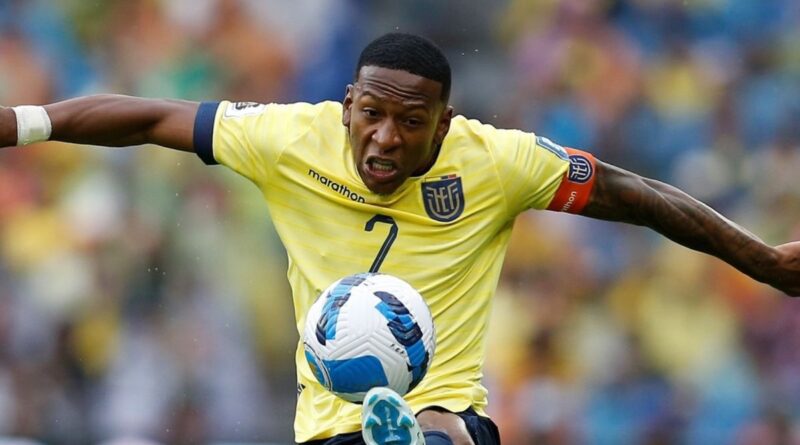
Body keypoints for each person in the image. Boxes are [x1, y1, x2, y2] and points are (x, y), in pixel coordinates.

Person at [1, 32, 798, 445]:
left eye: (411, 123)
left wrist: (758, 258)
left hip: (453, 413)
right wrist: (20, 123)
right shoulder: (286, 139)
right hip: (327, 427)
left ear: (443, 124)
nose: (384, 138)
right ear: (346, 103)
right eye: (370, 115)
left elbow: (640, 195)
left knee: (443, 427)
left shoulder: (498, 160)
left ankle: (414, 436)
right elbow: (146, 117)